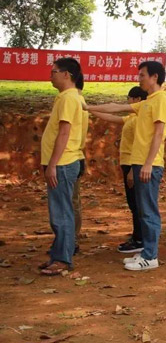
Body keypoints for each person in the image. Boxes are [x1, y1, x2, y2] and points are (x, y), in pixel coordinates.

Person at [88, 61, 166, 271]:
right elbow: (117, 108)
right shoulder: (146, 103)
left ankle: (151, 256)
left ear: (154, 77)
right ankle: (145, 251)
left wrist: (148, 163)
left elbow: (159, 134)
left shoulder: (160, 100)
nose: (139, 78)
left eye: (142, 75)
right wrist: (88, 107)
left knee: (149, 210)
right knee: (143, 210)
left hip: (148, 164)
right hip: (139, 162)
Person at [38, 58, 84, 276]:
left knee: (62, 213)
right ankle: (58, 255)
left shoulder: (69, 99)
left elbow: (64, 133)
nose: (51, 75)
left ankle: (63, 260)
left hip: (63, 163)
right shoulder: (69, 98)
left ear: (67, 75)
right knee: (60, 212)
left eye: (54, 71)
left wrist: (53, 165)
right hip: (63, 163)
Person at [88, 86, 148, 253]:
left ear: (137, 100)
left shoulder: (139, 120)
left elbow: (140, 145)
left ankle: (140, 239)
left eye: (129, 98)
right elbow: (110, 117)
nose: (127, 101)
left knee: (137, 204)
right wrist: (90, 109)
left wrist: (132, 171)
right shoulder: (131, 117)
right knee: (133, 203)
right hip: (128, 162)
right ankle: (138, 236)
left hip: (134, 164)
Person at [72, 75, 88, 254]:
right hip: (77, 155)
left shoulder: (74, 101)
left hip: (71, 156)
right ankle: (71, 238)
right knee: (73, 200)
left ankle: (71, 239)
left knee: (70, 200)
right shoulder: (80, 102)